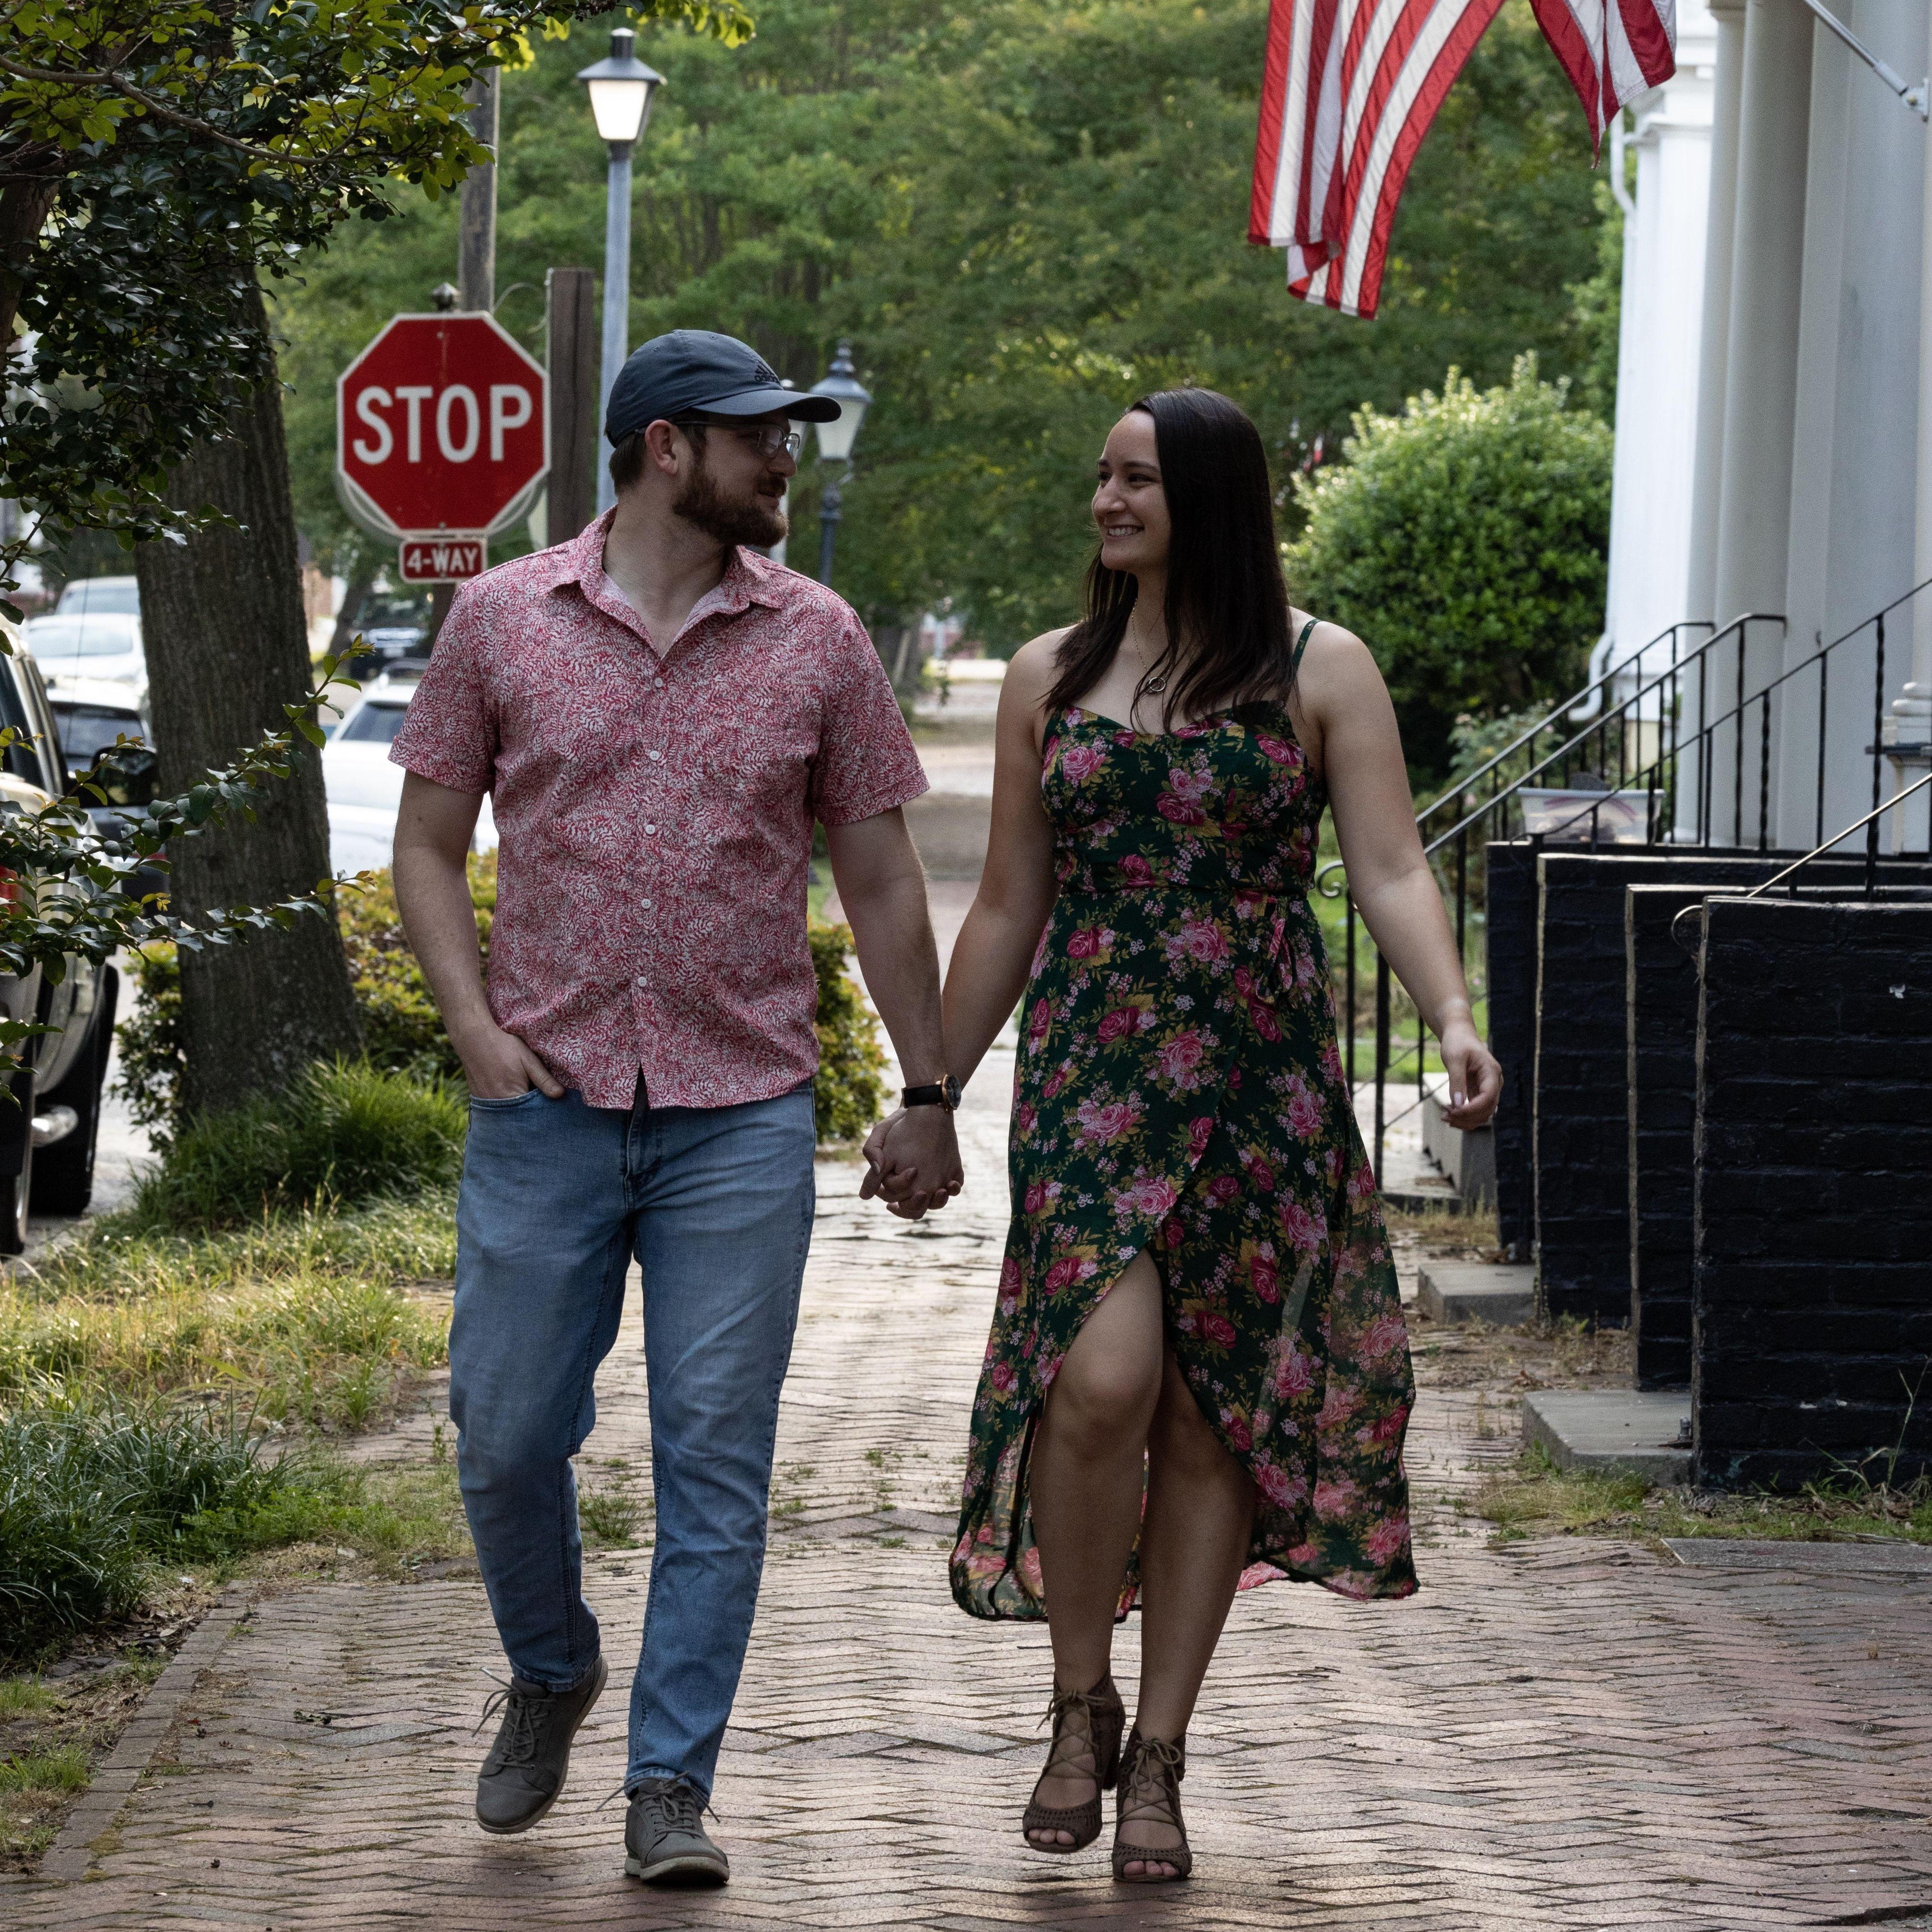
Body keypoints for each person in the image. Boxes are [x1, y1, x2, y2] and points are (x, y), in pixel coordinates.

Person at [883, 387, 1501, 1882]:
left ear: (1208, 496)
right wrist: (928, 1088)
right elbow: (1012, 905)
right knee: (1098, 1380)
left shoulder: (1316, 668)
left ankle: (1157, 1750)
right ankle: (1074, 1702)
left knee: (1211, 1403)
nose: (1106, 499)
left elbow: (1391, 867)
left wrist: (1452, 1014)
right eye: (1099, 475)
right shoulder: (1049, 674)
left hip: (1260, 1081)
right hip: (1096, 1073)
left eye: (1137, 478)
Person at [389, 330, 964, 1888]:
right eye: (758, 436)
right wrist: (473, 1028)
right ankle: (553, 1662)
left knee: (717, 1456)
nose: (786, 460)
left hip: (744, 1112)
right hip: (547, 1102)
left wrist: (928, 1087)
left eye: (789, 435)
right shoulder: (501, 619)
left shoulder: (823, 640)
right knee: (505, 1435)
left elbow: (880, 874)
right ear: (664, 448)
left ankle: (669, 1781)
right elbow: (429, 844)